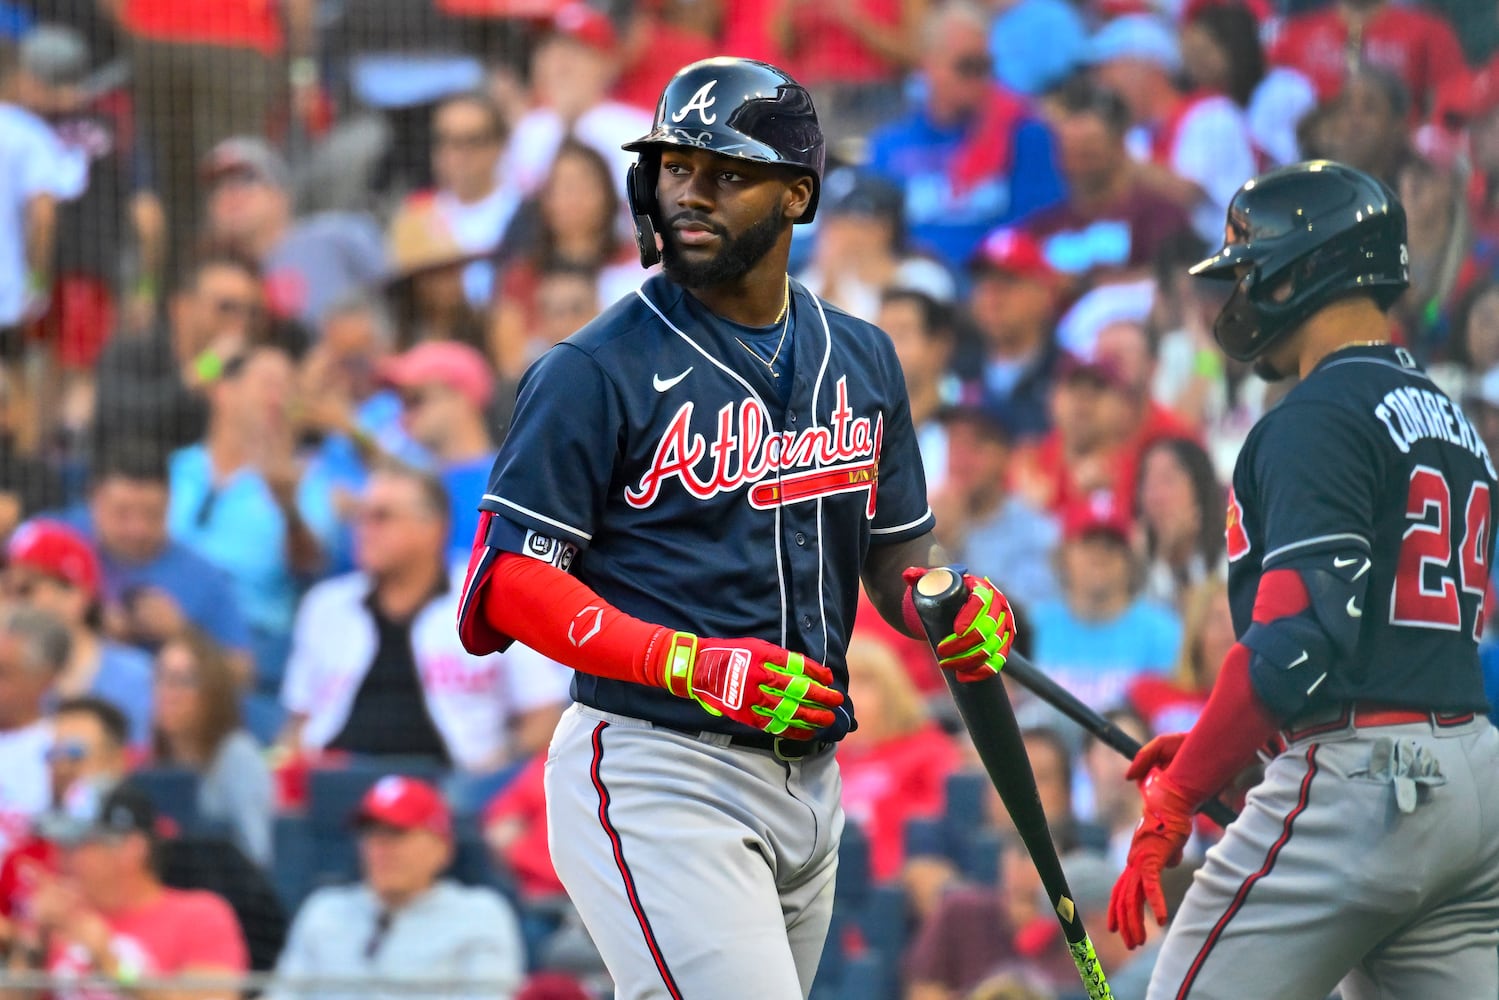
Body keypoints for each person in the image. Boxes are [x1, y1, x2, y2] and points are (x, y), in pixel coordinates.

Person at [456, 57, 1018, 1000]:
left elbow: (893, 562)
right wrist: (689, 661)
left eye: (726, 172)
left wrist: (944, 604)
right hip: (657, 766)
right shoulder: (590, 368)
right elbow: (507, 583)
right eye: (676, 167)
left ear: (797, 194)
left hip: (811, 777)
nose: (690, 192)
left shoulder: (864, 354)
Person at [1108, 161, 1499, 998]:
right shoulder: (1453, 421)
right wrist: (1231, 738)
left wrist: (1179, 793)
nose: (1237, 292)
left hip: (1364, 784)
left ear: (1306, 266)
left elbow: (1295, 645)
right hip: (1471, 781)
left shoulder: (1315, 415)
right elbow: (1389, 638)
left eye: (1248, 269)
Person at [280, 464, 570, 777]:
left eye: (382, 517)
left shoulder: (491, 599)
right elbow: (298, 724)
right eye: (360, 516)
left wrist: (493, 771)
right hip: (337, 782)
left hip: (452, 787)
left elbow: (543, 719)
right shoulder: (325, 606)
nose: (363, 529)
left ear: (433, 529)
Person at [267, 775, 526, 1000]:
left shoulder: (479, 914)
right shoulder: (324, 911)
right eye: (370, 833)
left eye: (396, 833)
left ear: (441, 847)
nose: (380, 848)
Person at [865, 1, 1064, 270]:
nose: (980, 79)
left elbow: (1040, 225)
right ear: (928, 66)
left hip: (993, 281)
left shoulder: (1024, 134)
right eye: (967, 66)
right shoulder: (890, 147)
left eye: (986, 67)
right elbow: (873, 232)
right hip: (909, 282)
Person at [18, 780, 249, 1000]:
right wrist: (32, 943)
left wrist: (112, 965)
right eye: (60, 846)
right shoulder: (57, 918)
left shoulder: (200, 916)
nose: (62, 859)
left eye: (76, 845)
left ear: (131, 849)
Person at [1086, 13, 1257, 244]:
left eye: (1108, 68)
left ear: (1146, 68)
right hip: (1163, 265)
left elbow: (1186, 193)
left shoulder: (1212, 115)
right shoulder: (1137, 136)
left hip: (1226, 260)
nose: (1102, 83)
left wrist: (1109, 156)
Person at [83, 444, 252, 666]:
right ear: (95, 504)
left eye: (153, 514)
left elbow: (241, 672)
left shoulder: (203, 576)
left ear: (171, 504)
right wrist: (91, 622)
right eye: (122, 514)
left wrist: (181, 633)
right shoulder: (63, 552)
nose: (138, 529)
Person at [200, 137, 387, 333]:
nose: (230, 192)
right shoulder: (211, 280)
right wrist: (212, 363)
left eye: (246, 178)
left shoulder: (340, 235)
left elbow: (405, 304)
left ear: (281, 194)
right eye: (217, 186)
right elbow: (201, 360)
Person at [1021, 80, 1191, 283]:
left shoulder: (1158, 216)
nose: (1077, 164)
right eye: (1068, 151)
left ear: (1118, 146)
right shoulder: (1044, 226)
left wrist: (1082, 285)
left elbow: (1175, 279)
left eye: (1088, 151)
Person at [1028, 492, 1181, 716]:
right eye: (1088, 543)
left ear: (1130, 560)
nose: (1100, 554)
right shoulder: (1033, 626)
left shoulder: (1164, 633)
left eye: (1112, 545)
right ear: (1063, 556)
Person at [4, 521, 153, 744]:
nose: (10, 602)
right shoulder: (10, 676)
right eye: (6, 588)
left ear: (75, 597)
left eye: (24, 589)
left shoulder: (135, 676)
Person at [837, 634, 962, 882]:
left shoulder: (929, 750)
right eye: (841, 684)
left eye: (864, 684)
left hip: (894, 888)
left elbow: (939, 826)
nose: (849, 697)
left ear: (893, 691)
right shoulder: (820, 759)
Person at [150, 631, 274, 868]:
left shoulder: (238, 755)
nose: (166, 692)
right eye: (160, 678)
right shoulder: (156, 764)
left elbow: (256, 853)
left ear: (212, 692)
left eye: (181, 681)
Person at [377, 342, 499, 561]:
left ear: (461, 398)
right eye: (402, 403)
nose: (404, 415)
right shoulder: (407, 484)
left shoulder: (506, 483)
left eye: (416, 400)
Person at [1135, 436, 1223, 610]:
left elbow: (1203, 621)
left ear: (1199, 489)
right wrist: (1161, 558)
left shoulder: (1229, 558)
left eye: (1167, 481)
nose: (1155, 497)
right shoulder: (1135, 562)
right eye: (1148, 483)